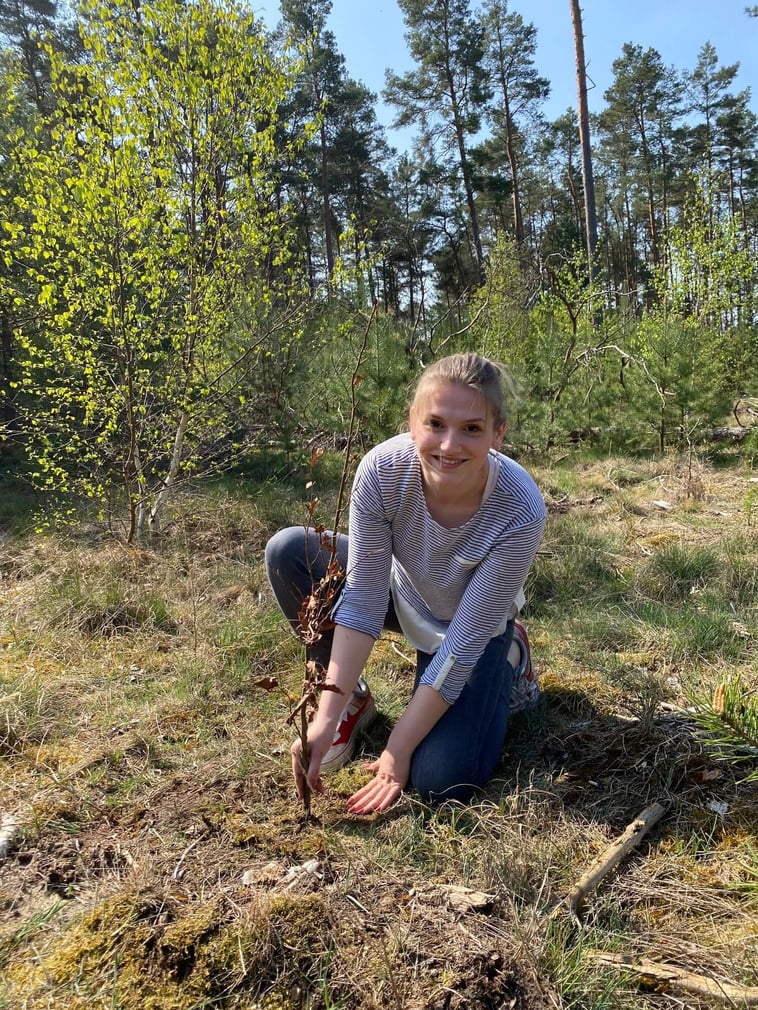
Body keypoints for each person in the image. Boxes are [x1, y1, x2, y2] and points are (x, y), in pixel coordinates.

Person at [265, 352, 546, 814]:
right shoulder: (382, 471)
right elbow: (364, 596)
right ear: (412, 422)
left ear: (498, 434)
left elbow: (464, 641)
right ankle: (352, 705)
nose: (450, 445)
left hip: (472, 627)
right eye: (435, 423)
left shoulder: (520, 507)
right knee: (290, 551)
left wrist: (398, 749)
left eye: (472, 428)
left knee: (439, 781)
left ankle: (512, 655)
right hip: (404, 591)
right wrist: (327, 712)